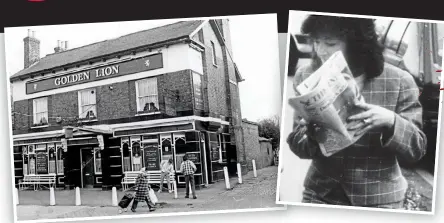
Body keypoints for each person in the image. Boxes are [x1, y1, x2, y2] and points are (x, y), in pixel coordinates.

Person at [287, 15, 427, 209]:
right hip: (322, 194)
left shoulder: (400, 80)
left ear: (356, 44)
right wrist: (309, 133)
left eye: (330, 43)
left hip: (380, 199)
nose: (320, 51)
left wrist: (391, 121)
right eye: (316, 42)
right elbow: (297, 145)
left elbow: (417, 149)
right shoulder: (307, 75)